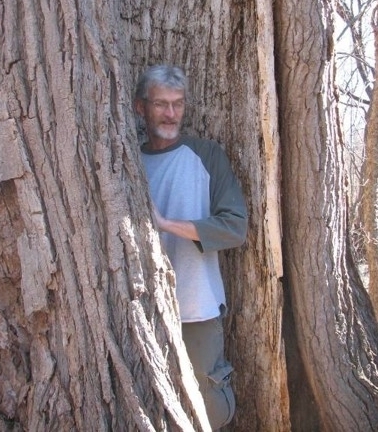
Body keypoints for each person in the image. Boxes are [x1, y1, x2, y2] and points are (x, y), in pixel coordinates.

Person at [135, 65, 247, 430]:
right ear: (141, 107)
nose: (170, 114)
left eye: (178, 104)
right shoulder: (127, 162)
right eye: (160, 105)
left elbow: (234, 227)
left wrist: (167, 225)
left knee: (208, 404)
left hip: (196, 306)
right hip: (139, 308)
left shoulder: (207, 155)